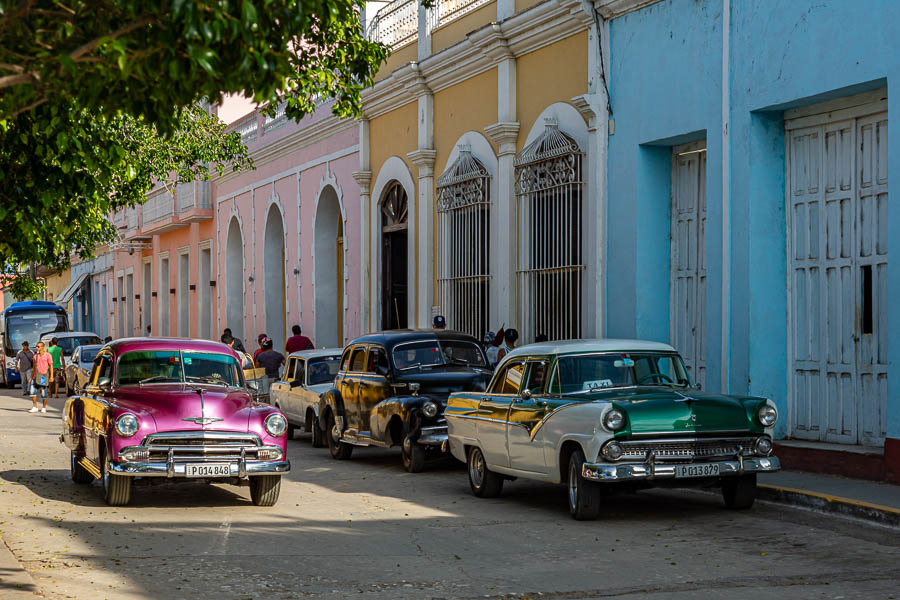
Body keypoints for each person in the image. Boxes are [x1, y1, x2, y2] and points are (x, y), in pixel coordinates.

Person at [30, 341, 53, 413]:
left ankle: (44, 407)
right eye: (36, 346)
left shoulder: (48, 355)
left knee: (44, 392)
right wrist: (31, 377)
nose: (37, 348)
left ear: (42, 347)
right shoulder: (35, 356)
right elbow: (33, 367)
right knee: (32, 392)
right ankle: (35, 406)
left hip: (43, 376)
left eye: (38, 346)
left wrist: (51, 376)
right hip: (35, 376)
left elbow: (51, 365)